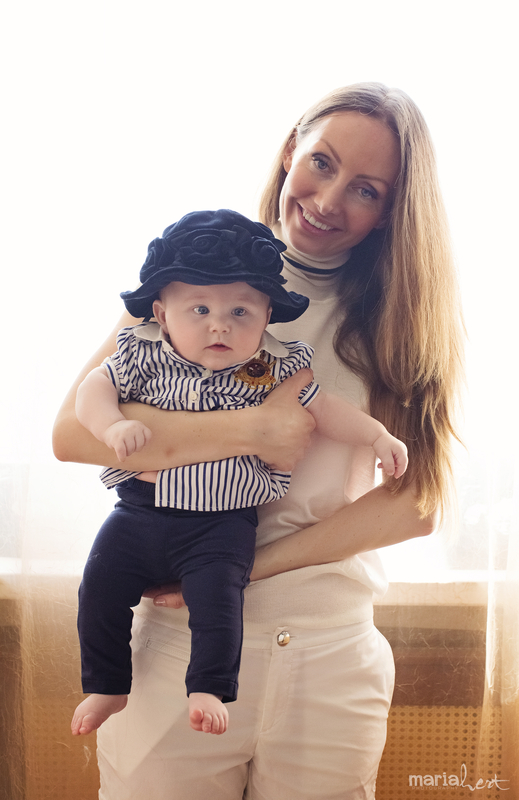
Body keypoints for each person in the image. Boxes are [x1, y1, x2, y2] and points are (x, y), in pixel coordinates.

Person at [53, 82, 464, 799]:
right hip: (173, 655)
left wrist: (246, 569)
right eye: (322, 162)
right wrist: (252, 429)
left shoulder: (404, 318)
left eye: (366, 190)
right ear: (290, 150)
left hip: (326, 652)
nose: (328, 200)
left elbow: (416, 503)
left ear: (390, 210)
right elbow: (71, 435)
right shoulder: (194, 273)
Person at [71, 209, 408, 738]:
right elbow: (91, 392)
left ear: (267, 315)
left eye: (240, 311)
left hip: (221, 524)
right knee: (98, 586)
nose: (220, 324)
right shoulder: (142, 352)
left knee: (219, 604)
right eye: (199, 309)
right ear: (161, 313)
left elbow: (327, 409)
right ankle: (107, 683)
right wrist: (112, 425)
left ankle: (208, 687)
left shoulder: (273, 367)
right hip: (139, 514)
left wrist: (377, 436)